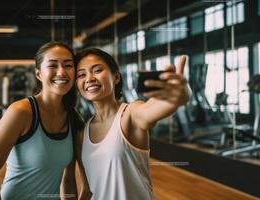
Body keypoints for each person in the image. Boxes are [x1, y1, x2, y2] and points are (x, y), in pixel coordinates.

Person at [74, 48, 190, 200]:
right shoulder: (82, 134)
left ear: (116, 77)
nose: (89, 78)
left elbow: (151, 110)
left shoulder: (130, 114)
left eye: (97, 70)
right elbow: (88, 190)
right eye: (81, 74)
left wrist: (180, 95)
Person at [0, 41, 83, 200]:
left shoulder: (72, 117)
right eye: (53, 65)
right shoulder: (21, 112)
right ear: (39, 73)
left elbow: (68, 181)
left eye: (68, 65)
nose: (61, 72)